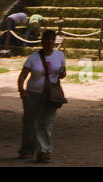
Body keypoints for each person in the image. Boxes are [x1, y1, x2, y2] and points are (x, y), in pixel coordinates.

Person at [17, 29, 67, 162]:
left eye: (52, 39)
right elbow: (23, 75)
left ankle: (44, 151)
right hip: (33, 93)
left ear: (54, 40)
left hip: (51, 94)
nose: (49, 42)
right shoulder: (33, 58)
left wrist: (61, 74)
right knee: (29, 121)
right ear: (42, 41)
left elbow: (63, 72)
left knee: (46, 123)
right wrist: (22, 90)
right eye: (47, 39)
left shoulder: (60, 56)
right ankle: (27, 150)